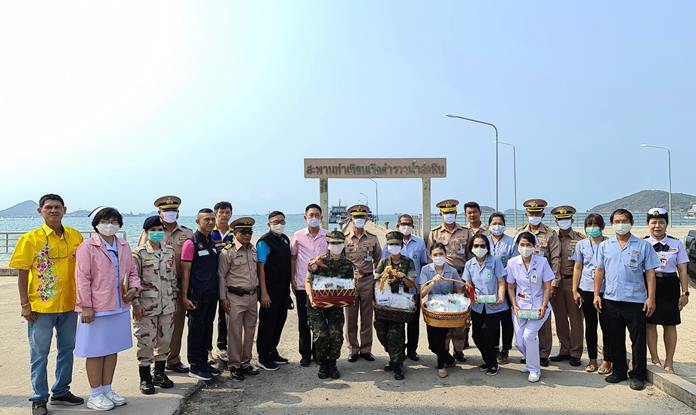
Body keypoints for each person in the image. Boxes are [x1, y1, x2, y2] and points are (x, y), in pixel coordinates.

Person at [10, 194, 85, 415]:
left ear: (65, 210)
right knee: (39, 353)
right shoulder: (30, 239)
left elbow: (86, 268)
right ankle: (39, 397)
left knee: (67, 349)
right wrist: (25, 304)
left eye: (57, 207)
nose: (53, 210)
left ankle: (61, 390)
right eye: (48, 207)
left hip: (70, 305)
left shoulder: (75, 236)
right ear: (40, 211)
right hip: (40, 308)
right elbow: (22, 273)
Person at [75, 207, 140, 410]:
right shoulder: (87, 247)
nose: (110, 224)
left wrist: (134, 289)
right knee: (95, 351)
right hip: (97, 308)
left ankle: (107, 388)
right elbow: (82, 279)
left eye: (114, 220)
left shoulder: (124, 245)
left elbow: (132, 272)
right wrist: (86, 306)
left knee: (111, 349)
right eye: (105, 220)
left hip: (119, 306)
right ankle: (95, 394)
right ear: (96, 224)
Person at [594, 208, 659, 391]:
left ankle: (638, 375)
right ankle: (619, 370)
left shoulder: (643, 246)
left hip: (636, 300)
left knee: (638, 340)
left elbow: (650, 273)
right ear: (612, 224)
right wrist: (596, 294)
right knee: (615, 337)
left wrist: (651, 298)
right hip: (611, 299)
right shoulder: (605, 246)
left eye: (624, 220)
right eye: (616, 221)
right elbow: (599, 271)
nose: (620, 224)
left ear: (631, 222)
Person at [139, 196, 193, 374]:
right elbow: (139, 261)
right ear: (159, 213)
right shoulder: (149, 232)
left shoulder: (187, 233)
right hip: (153, 288)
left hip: (176, 286)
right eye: (166, 211)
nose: (170, 214)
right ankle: (151, 364)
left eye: (173, 211)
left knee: (174, 325)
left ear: (178, 212)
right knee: (150, 328)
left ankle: (173, 359)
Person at [131, 216, 177, 394]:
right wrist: (135, 304)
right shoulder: (139, 254)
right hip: (146, 306)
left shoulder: (169, 252)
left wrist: (174, 298)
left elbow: (172, 278)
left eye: (160, 229)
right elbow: (133, 282)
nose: (157, 233)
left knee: (165, 340)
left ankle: (159, 373)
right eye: (153, 230)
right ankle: (145, 378)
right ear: (146, 232)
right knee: (146, 342)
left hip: (167, 305)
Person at [644, 207, 690, 373]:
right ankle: (655, 358)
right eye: (653, 222)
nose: (657, 225)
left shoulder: (676, 243)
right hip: (649, 284)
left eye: (661, 222)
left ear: (666, 224)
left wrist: (685, 293)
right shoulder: (643, 244)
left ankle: (669, 361)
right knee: (650, 323)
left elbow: (682, 270)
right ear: (647, 224)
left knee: (670, 324)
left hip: (670, 284)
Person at [516, 198, 560, 367]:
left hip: (544, 280)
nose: (534, 216)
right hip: (525, 282)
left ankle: (543, 354)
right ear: (526, 214)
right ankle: (528, 352)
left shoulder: (550, 234)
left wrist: (554, 282)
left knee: (543, 319)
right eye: (531, 213)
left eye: (537, 213)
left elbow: (555, 258)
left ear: (542, 214)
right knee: (526, 319)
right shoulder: (520, 232)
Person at [506, 232, 554, 383]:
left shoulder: (542, 262)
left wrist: (544, 305)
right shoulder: (512, 263)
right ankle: (530, 361)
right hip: (520, 306)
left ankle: (534, 369)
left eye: (528, 245)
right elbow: (510, 287)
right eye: (522, 245)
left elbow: (547, 287)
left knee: (529, 336)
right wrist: (514, 305)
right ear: (517, 246)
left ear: (534, 247)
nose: (525, 248)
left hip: (539, 306)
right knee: (519, 342)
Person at [426, 199, 471, 362]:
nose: (449, 215)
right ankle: (443, 351)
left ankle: (459, 350)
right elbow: (430, 256)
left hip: (459, 278)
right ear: (441, 214)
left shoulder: (466, 232)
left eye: (451, 212)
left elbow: (470, 256)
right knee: (443, 316)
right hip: (441, 279)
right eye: (446, 213)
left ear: (456, 213)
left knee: (459, 317)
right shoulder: (434, 233)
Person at [306, 230, 354, 379]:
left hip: (336, 304)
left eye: (339, 243)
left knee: (336, 334)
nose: (336, 246)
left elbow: (349, 285)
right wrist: (311, 297)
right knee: (321, 335)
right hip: (317, 304)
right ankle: (322, 364)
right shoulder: (319, 261)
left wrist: (351, 293)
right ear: (327, 244)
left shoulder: (347, 264)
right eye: (333, 243)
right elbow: (308, 280)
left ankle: (332, 362)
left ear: (343, 244)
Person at [380, 214, 428, 361]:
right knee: (397, 322)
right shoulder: (390, 244)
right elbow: (382, 265)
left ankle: (412, 350)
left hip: (413, 289)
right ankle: (399, 350)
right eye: (403, 224)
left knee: (413, 322)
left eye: (408, 224)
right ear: (398, 226)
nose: (405, 227)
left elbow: (424, 264)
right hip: (394, 292)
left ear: (413, 226)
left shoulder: (419, 243)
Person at [181, 208, 221, 381]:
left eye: (212, 219)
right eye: (206, 219)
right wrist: (184, 296)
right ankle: (195, 365)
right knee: (196, 329)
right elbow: (185, 273)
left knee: (207, 327)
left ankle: (204, 362)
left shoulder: (212, 241)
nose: (210, 222)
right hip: (196, 294)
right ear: (197, 222)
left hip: (211, 293)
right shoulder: (191, 243)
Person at [218, 217, 261, 381]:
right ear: (234, 233)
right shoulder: (227, 251)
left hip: (252, 296)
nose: (247, 235)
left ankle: (246, 363)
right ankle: (235, 365)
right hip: (235, 297)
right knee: (235, 332)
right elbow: (221, 276)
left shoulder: (253, 250)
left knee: (250, 331)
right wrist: (223, 298)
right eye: (243, 232)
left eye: (249, 232)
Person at [571, 213, 612, 374]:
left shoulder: (610, 243)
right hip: (586, 289)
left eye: (595, 225)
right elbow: (578, 267)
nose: (592, 228)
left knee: (607, 326)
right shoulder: (581, 244)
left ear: (602, 227)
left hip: (606, 290)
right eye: (589, 225)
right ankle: (593, 359)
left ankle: (608, 360)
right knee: (590, 325)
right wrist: (574, 289)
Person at [373, 231, 417, 380]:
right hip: (383, 303)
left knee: (395, 334)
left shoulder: (408, 262)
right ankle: (394, 355)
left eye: (397, 244)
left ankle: (397, 365)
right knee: (381, 330)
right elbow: (376, 280)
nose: (394, 247)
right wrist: (385, 274)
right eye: (391, 244)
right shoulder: (383, 262)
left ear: (402, 245)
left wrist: (403, 276)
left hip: (399, 304)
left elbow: (412, 283)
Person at [463, 233, 507, 376]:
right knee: (476, 336)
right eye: (476, 246)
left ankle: (492, 364)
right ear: (471, 247)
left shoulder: (495, 261)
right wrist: (470, 295)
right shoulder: (469, 264)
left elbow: (501, 281)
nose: (479, 248)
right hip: (477, 306)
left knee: (488, 335)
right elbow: (468, 284)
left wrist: (501, 296)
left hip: (494, 306)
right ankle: (488, 360)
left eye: (482, 245)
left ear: (487, 247)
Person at [290, 204, 328, 366]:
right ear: (305, 217)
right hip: (301, 284)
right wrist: (292, 278)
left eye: (317, 215)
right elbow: (293, 258)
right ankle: (305, 354)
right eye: (311, 215)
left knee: (320, 320)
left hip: (323, 285)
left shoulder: (327, 235)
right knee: (304, 321)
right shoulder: (298, 235)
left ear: (321, 217)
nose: (314, 218)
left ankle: (318, 353)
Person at [344, 204, 382, 362]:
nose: (358, 220)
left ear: (366, 219)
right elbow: (338, 260)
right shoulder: (344, 238)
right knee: (350, 318)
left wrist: (378, 281)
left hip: (368, 280)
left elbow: (379, 260)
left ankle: (366, 349)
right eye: (355, 217)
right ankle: (353, 349)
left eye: (362, 217)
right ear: (351, 219)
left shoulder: (373, 238)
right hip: (350, 283)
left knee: (367, 317)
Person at [419, 243, 462, 378]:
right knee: (433, 344)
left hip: (447, 309)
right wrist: (433, 282)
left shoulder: (452, 271)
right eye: (435, 255)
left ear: (445, 254)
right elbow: (422, 293)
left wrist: (459, 302)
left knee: (441, 337)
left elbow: (459, 289)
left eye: (441, 254)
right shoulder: (426, 270)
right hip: (432, 310)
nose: (438, 257)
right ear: (431, 256)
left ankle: (441, 365)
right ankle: (448, 359)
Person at [548, 205, 585, 367]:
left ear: (572, 220)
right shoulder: (550, 237)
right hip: (555, 282)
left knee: (576, 318)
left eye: (566, 219)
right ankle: (564, 350)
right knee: (560, 318)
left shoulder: (580, 239)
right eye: (560, 219)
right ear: (556, 221)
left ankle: (576, 352)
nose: (564, 221)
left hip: (573, 282)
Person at [256, 211, 292, 371]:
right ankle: (263, 356)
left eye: (282, 221)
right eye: (276, 221)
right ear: (269, 224)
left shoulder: (284, 239)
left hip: (283, 289)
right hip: (269, 290)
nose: (279, 224)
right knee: (267, 323)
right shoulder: (264, 241)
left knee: (280, 321)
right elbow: (260, 269)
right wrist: (263, 293)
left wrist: (289, 290)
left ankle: (272, 350)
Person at [487, 212, 517, 365]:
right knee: (493, 318)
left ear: (504, 225)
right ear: (489, 225)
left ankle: (505, 348)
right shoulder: (484, 241)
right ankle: (494, 347)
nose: (496, 226)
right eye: (494, 223)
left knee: (506, 319)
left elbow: (513, 265)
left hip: (506, 285)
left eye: (499, 223)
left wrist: (505, 283)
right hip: (488, 286)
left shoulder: (511, 242)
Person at [210, 201, 234, 364]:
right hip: (210, 278)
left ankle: (223, 346)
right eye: (221, 212)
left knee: (226, 314)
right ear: (215, 214)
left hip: (228, 279)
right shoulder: (209, 231)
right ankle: (207, 350)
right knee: (208, 315)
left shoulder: (235, 232)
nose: (224, 215)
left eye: (227, 212)